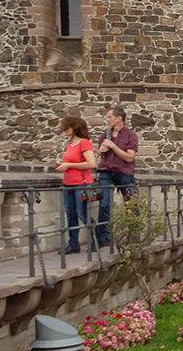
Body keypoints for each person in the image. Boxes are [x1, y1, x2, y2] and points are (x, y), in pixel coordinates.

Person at [94, 105, 139, 248]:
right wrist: (100, 151)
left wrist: (113, 147)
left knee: (131, 204)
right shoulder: (104, 135)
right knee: (104, 204)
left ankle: (134, 236)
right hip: (106, 172)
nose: (107, 119)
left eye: (109, 117)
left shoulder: (131, 136)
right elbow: (97, 157)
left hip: (124, 172)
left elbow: (129, 158)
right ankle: (103, 239)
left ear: (119, 118)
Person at [56, 115, 97, 254]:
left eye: (67, 127)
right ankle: (73, 244)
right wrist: (63, 165)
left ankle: (95, 239)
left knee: (82, 213)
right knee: (71, 214)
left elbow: (91, 163)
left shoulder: (84, 143)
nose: (65, 129)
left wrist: (68, 165)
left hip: (82, 183)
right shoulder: (69, 144)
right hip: (68, 183)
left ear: (75, 127)